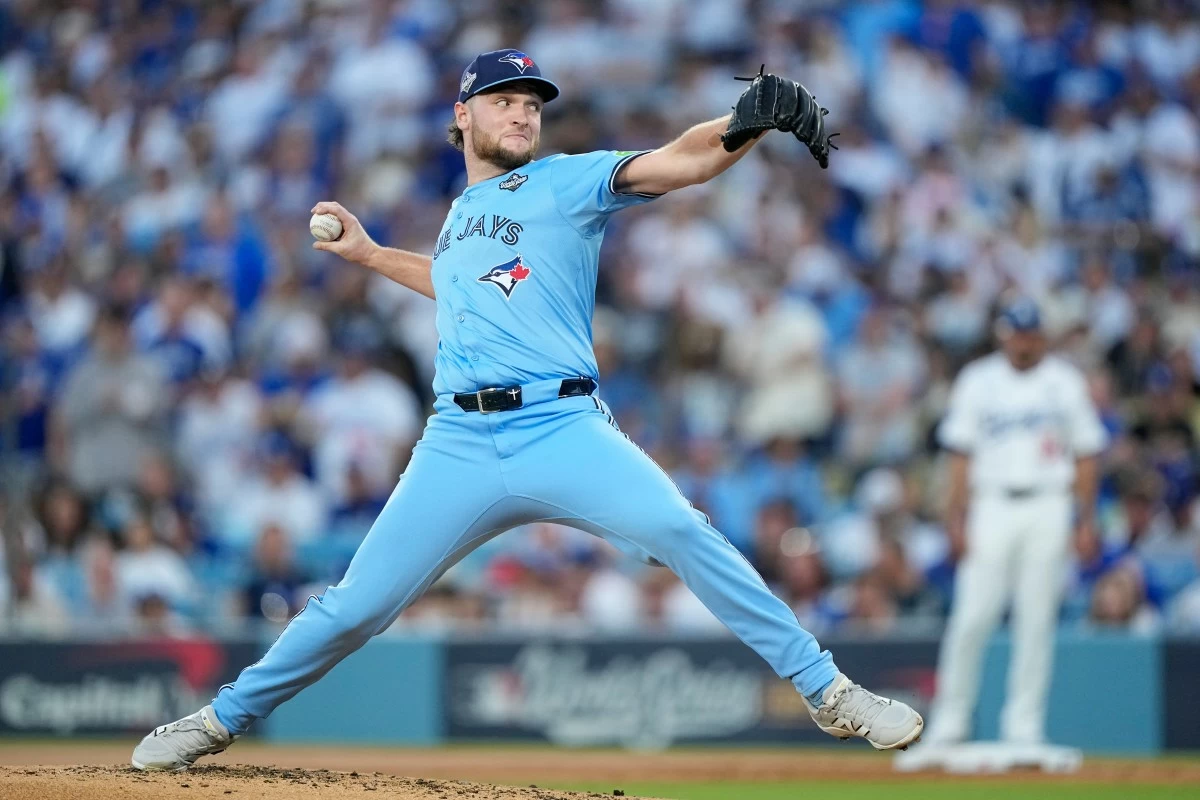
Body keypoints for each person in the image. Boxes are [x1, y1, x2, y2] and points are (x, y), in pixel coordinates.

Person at [132, 48, 921, 771]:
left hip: (561, 426)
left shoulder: (563, 182)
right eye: (504, 100)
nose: (521, 114)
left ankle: (828, 691)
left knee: (682, 529)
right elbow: (459, 285)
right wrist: (372, 256)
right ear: (461, 115)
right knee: (355, 607)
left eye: (532, 105)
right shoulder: (459, 217)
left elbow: (680, 162)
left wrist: (747, 120)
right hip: (460, 440)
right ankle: (218, 719)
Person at [926, 298, 1106, 746]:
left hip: (1048, 502)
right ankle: (951, 722)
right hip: (992, 504)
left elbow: (1085, 453)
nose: (1023, 341)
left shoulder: (1063, 381)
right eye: (1016, 333)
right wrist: (956, 517)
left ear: (1041, 335)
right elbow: (960, 456)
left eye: (1030, 333)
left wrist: (1085, 519)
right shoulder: (978, 379)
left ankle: (1023, 728)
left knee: (1036, 620)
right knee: (972, 616)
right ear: (1003, 334)